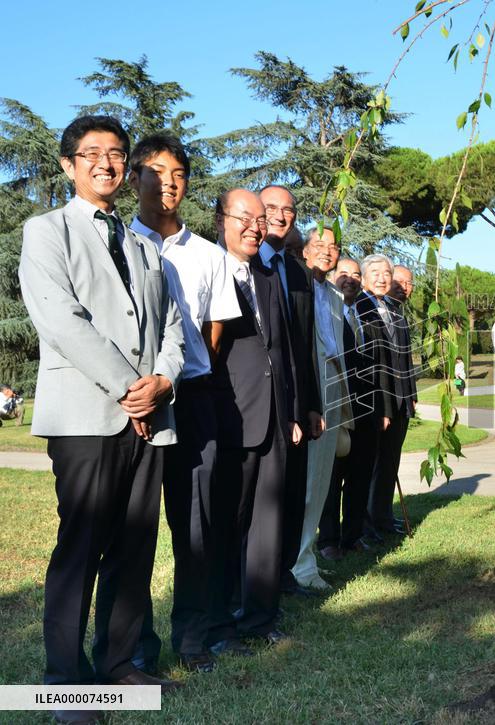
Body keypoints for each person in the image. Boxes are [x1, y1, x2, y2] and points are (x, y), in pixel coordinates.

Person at [18, 115, 186, 722]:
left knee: (136, 547)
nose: (106, 164)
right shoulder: (47, 232)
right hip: (88, 417)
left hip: (150, 417)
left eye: (116, 154)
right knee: (81, 547)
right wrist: (127, 388)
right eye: (91, 154)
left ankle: (119, 665)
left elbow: (170, 325)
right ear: (68, 165)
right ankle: (66, 684)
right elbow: (61, 321)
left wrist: (162, 380)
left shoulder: (144, 244)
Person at [128, 133, 242, 675]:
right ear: (134, 178)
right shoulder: (116, 243)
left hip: (193, 400)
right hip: (130, 405)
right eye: (155, 171)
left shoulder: (209, 256)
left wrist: (177, 377)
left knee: (195, 527)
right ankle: (134, 649)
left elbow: (214, 332)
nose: (167, 182)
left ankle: (192, 640)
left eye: (177, 173)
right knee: (132, 528)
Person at [207, 189, 301, 653]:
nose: (256, 226)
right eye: (245, 217)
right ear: (222, 220)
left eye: (261, 219)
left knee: (268, 521)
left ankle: (262, 618)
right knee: (228, 521)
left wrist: (294, 411)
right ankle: (221, 622)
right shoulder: (207, 269)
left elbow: (282, 352)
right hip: (229, 416)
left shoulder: (267, 276)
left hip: (276, 418)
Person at [258, 185, 322, 598]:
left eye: (289, 210)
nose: (281, 216)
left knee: (293, 497)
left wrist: (312, 406)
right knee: (263, 502)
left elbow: (305, 346)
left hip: (299, 405)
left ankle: (284, 577)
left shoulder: (298, 273)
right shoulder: (243, 265)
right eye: (271, 209)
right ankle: (256, 585)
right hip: (259, 404)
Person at [291, 228, 351, 591]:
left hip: (331, 385)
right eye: (320, 245)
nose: (327, 252)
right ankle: (297, 566)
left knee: (321, 479)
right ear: (305, 250)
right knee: (306, 481)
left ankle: (305, 560)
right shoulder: (295, 284)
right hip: (305, 387)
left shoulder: (333, 294)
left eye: (334, 247)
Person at [317, 256, 383, 558]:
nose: (350, 279)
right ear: (332, 277)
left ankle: (352, 535)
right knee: (332, 477)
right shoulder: (326, 313)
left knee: (359, 475)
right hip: (337, 406)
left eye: (356, 275)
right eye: (343, 273)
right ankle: (328, 540)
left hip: (367, 409)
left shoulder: (366, 315)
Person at [357, 254, 407, 537]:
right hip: (375, 402)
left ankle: (383, 519)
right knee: (369, 465)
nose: (381, 277)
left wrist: (407, 397)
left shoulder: (393, 308)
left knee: (389, 463)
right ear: (364, 278)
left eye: (386, 272)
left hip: (399, 401)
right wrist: (382, 407)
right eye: (375, 272)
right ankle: (365, 526)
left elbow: (401, 360)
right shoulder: (359, 308)